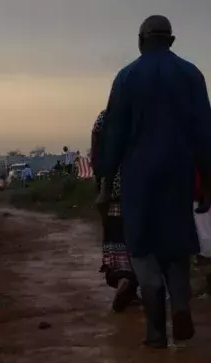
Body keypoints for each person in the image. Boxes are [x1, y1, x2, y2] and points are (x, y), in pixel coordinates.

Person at [97, 15, 211, 348]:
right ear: (171, 41)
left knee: (143, 249)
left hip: (139, 175)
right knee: (176, 247)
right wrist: (207, 183)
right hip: (179, 173)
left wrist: (105, 186)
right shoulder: (192, 75)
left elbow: (113, 134)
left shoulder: (127, 77)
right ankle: (180, 306)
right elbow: (205, 134)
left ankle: (157, 330)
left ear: (140, 40)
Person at [91, 110, 138, 312]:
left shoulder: (105, 117)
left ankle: (123, 280)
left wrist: (100, 181)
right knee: (139, 238)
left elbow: (95, 153)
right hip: (141, 186)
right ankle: (135, 285)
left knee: (115, 237)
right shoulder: (143, 113)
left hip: (111, 188)